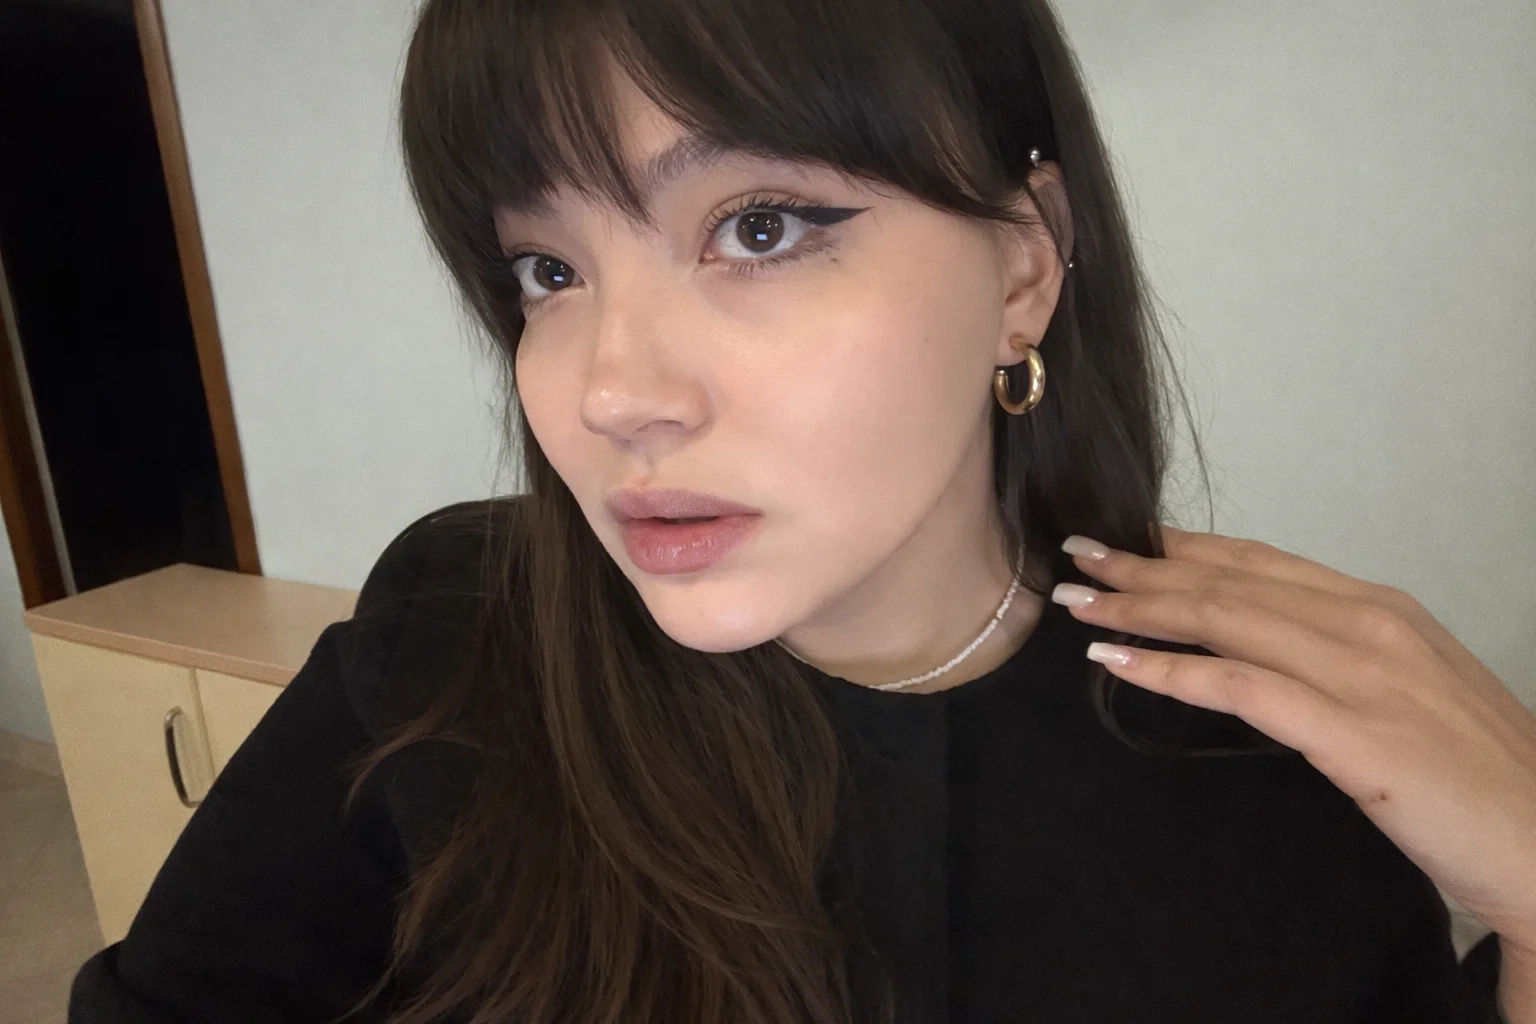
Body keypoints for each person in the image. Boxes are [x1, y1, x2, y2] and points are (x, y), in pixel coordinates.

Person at [69, 0, 1536, 1020]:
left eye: (758, 228)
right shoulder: (456, 634)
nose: (612, 394)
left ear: (1024, 269)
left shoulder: (1262, 747)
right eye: (548, 271)